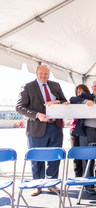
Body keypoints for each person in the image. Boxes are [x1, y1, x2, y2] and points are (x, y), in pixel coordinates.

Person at [16, 64, 68, 196]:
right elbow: (19, 107)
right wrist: (37, 115)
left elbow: (64, 101)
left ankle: (52, 183)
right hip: (36, 129)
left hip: (55, 127)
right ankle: (37, 185)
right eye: (42, 73)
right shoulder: (27, 87)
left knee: (54, 157)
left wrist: (56, 102)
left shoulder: (55, 85)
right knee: (37, 158)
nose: (44, 76)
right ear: (36, 73)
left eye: (46, 73)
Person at [69, 80, 96, 195]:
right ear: (92, 87)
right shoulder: (85, 96)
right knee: (87, 159)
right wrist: (86, 101)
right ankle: (89, 185)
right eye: (95, 86)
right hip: (86, 132)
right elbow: (72, 99)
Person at [70, 84, 90, 178]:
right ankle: (78, 176)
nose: (80, 93)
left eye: (83, 91)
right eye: (78, 92)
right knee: (76, 154)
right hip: (74, 131)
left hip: (85, 130)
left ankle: (86, 176)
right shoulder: (75, 100)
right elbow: (72, 99)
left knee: (84, 154)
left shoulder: (90, 101)